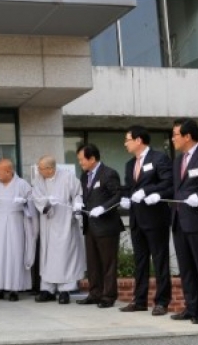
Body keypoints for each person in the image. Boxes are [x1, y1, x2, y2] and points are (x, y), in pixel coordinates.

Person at [120, 126, 173, 316]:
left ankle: (162, 301)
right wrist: (125, 197)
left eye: (127, 139)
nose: (125, 143)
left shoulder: (159, 159)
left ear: (139, 140)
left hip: (155, 218)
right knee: (140, 261)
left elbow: (168, 184)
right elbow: (128, 187)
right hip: (136, 219)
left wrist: (149, 191)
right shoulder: (129, 164)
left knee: (160, 260)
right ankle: (139, 300)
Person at [0, 158, 37, 302]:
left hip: (15, 224)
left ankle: (13, 289)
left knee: (13, 255)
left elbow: (33, 203)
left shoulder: (22, 184)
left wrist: (25, 203)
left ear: (9, 171)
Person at [31, 155, 85, 305]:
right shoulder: (39, 180)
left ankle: (64, 290)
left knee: (64, 256)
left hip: (65, 222)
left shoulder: (68, 178)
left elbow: (78, 194)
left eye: (41, 168)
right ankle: (47, 289)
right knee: (47, 256)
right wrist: (47, 203)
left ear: (50, 169)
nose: (39, 170)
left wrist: (77, 205)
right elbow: (37, 197)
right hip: (48, 222)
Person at [76, 144, 124, 309]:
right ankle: (95, 293)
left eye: (82, 159)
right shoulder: (84, 176)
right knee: (93, 263)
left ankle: (108, 296)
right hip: (90, 225)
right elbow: (86, 197)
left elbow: (117, 195)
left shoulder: (109, 173)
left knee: (108, 263)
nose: (80, 163)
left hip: (107, 226)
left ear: (92, 158)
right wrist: (79, 206)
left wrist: (103, 208)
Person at [170, 118, 198, 323]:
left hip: (195, 220)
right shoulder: (178, 160)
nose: (172, 139)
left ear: (187, 136)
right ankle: (192, 307)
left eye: (175, 135)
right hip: (179, 219)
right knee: (186, 268)